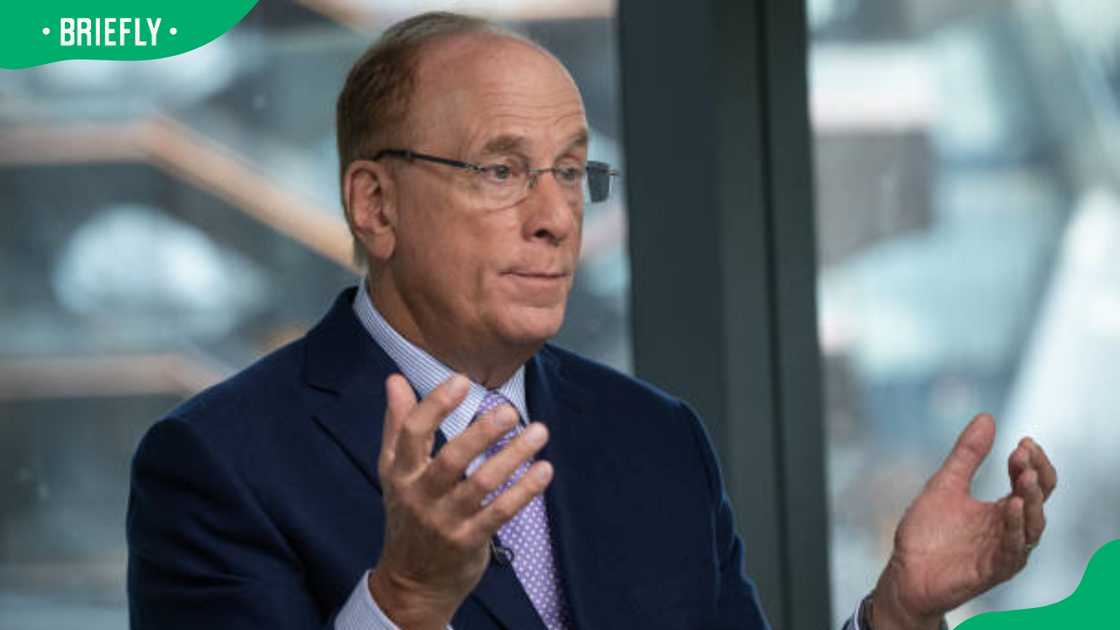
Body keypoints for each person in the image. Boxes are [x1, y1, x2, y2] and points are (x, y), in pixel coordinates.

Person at [126, 11, 1058, 630]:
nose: (556, 214)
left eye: (572, 172)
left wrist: (894, 614)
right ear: (375, 206)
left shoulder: (656, 437)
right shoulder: (216, 465)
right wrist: (402, 600)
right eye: (501, 170)